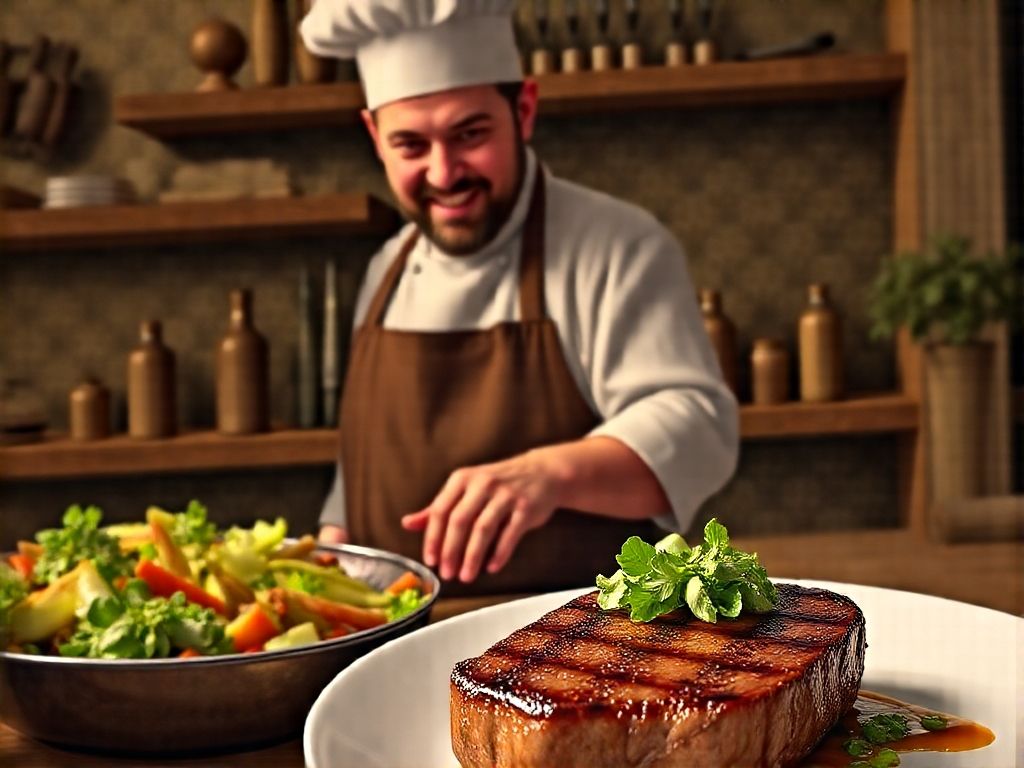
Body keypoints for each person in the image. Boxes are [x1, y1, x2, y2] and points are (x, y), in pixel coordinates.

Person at [300, 0, 738, 596]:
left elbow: (698, 429)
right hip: (395, 643)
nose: (444, 172)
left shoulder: (617, 245)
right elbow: (361, 481)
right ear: (375, 137)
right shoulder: (386, 270)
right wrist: (327, 565)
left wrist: (548, 474)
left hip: (578, 647)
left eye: (470, 134)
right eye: (410, 146)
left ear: (524, 110)